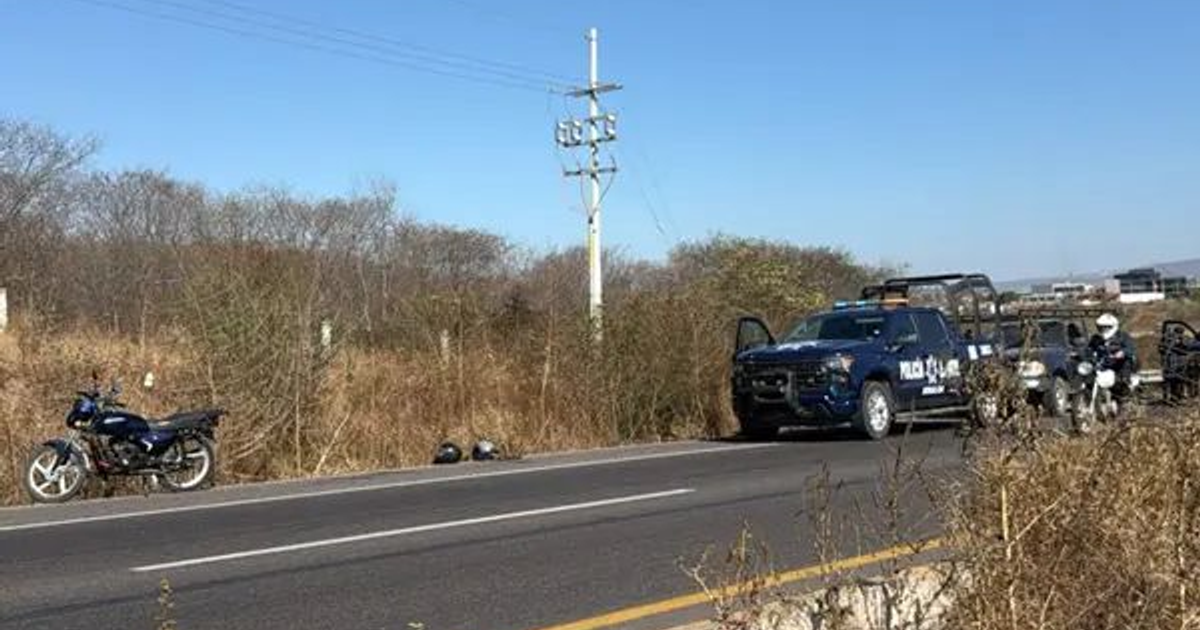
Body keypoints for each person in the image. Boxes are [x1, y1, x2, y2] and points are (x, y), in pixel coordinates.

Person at [1090, 313, 1138, 395]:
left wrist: (1123, 352)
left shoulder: (1122, 336)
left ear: (1113, 326)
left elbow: (1131, 348)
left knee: (1124, 374)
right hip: (1102, 365)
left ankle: (1126, 388)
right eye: (1101, 327)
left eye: (1106, 327)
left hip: (1118, 365)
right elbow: (1089, 349)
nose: (1104, 329)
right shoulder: (1096, 339)